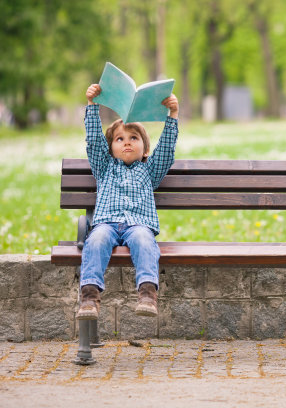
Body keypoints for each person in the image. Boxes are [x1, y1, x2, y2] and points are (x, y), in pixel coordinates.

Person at [77, 83, 180, 321]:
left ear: (145, 150)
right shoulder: (104, 167)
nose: (127, 142)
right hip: (106, 223)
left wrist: (172, 115)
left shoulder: (150, 170)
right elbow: (94, 142)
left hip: (138, 225)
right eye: (120, 139)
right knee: (97, 239)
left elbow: (166, 150)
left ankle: (147, 294)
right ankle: (89, 298)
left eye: (134, 138)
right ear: (110, 148)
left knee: (145, 241)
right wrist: (92, 106)